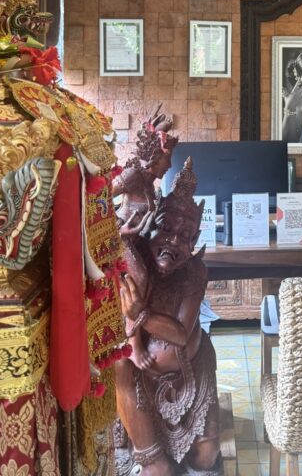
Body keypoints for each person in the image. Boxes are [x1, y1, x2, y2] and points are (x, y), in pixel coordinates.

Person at [114, 157, 219, 476]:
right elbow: (124, 316)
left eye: (185, 236)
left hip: (191, 370)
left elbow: (179, 333)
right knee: (159, 470)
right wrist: (135, 341)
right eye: (167, 228)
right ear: (150, 226)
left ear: (194, 241)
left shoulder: (193, 273)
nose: (174, 241)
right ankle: (148, 454)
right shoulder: (137, 263)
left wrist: (141, 314)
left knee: (205, 457)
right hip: (139, 375)